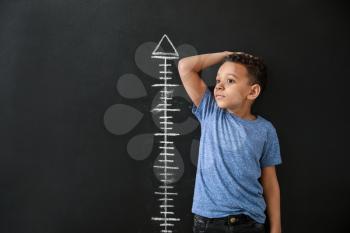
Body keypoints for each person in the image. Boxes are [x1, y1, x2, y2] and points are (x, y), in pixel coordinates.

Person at [178, 51, 282, 233]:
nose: (218, 86)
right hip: (208, 223)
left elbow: (270, 181)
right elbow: (185, 67)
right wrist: (228, 54)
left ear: (252, 91)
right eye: (218, 80)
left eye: (230, 81)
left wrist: (276, 227)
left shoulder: (266, 130)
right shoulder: (210, 111)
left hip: (249, 222)